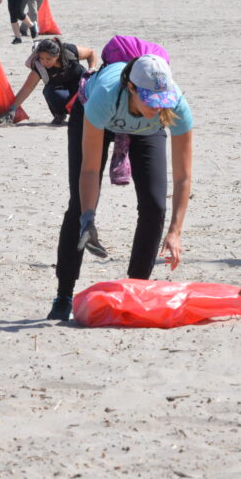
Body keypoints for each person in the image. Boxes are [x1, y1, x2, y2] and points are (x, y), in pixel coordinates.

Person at [47, 53, 194, 321]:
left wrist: (175, 231)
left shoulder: (173, 108)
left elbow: (183, 177)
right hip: (95, 113)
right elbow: (90, 169)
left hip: (145, 130)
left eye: (162, 101)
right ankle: (64, 294)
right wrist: (87, 218)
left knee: (154, 205)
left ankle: (135, 291)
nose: (157, 107)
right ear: (131, 88)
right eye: (150, 100)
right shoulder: (104, 96)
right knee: (78, 206)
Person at [0, 38, 97, 126]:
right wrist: (12, 109)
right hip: (60, 89)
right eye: (41, 58)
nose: (44, 62)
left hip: (80, 84)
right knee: (49, 92)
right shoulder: (39, 67)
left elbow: (91, 53)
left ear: (57, 55)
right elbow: (27, 88)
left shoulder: (69, 51)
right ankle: (60, 114)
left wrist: (92, 68)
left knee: (86, 111)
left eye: (48, 59)